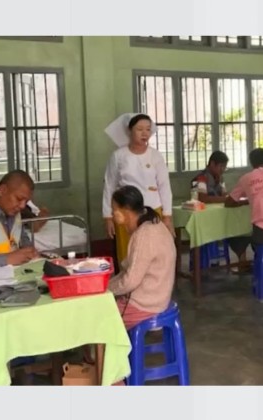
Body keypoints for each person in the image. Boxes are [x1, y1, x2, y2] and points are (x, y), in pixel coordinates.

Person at [103, 113, 174, 265]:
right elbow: (109, 186)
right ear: (130, 131)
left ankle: (151, 280)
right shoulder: (118, 156)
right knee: (128, 255)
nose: (144, 133)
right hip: (125, 213)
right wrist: (108, 217)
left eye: (148, 129)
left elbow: (164, 186)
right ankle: (127, 280)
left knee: (152, 253)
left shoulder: (155, 156)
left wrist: (167, 216)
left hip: (153, 211)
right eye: (140, 129)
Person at [107, 186, 176, 330]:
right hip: (158, 297)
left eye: (114, 210)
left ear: (126, 211)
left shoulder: (144, 235)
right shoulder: (154, 224)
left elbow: (130, 281)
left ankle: (108, 346)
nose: (112, 215)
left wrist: (105, 288)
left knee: (99, 317)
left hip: (146, 305)